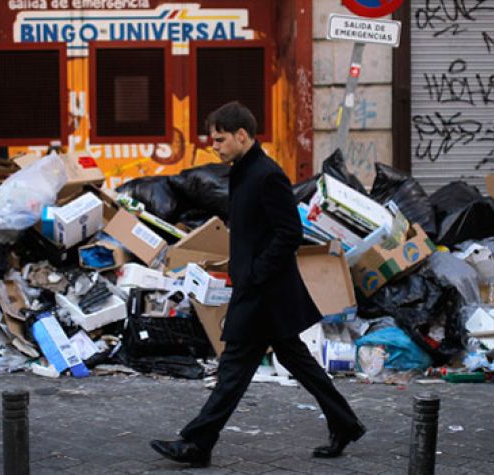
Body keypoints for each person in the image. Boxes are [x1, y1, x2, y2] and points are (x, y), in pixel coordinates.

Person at [149, 101, 365, 468]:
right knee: (296, 361)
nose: (214, 146)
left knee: (234, 369)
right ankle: (345, 423)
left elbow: (289, 233)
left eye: (219, 139)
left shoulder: (267, 175)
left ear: (242, 136)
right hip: (260, 291)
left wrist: (254, 273)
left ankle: (197, 443)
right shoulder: (242, 172)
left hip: (265, 294)